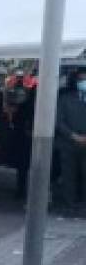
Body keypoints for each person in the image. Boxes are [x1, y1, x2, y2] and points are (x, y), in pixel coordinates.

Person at [54, 66, 86, 215]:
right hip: (68, 143)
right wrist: (72, 135)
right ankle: (69, 205)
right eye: (81, 79)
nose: (83, 82)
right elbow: (58, 121)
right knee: (69, 176)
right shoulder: (65, 98)